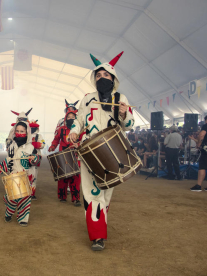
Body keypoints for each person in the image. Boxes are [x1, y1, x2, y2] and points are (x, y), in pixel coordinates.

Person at [68, 52, 135, 251]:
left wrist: (124, 114)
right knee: (91, 193)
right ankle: (97, 237)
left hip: (113, 150)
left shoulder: (121, 98)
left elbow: (130, 124)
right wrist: (74, 131)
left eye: (106, 76)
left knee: (105, 194)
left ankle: (100, 227)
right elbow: (79, 120)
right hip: (90, 151)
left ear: (113, 78)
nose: (101, 78)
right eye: (98, 76)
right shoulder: (87, 99)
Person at [0, 121, 41, 227]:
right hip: (13, 176)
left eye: (22, 131)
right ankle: (9, 212)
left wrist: (35, 158)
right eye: (17, 131)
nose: (19, 133)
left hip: (26, 176)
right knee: (12, 197)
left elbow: (37, 160)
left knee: (25, 198)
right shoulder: (11, 146)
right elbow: (8, 160)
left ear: (27, 132)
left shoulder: (31, 147)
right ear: (14, 132)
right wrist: (1, 167)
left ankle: (23, 218)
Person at [49, 108, 82, 206]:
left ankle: (76, 199)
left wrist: (78, 145)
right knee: (62, 177)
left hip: (75, 156)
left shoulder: (79, 130)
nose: (71, 118)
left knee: (75, 178)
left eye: (73, 117)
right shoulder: (61, 129)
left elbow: (84, 140)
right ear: (65, 118)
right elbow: (56, 139)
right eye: (69, 117)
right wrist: (52, 146)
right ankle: (62, 196)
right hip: (62, 156)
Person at [190, 114, 207, 192]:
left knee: (202, 167)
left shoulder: (206, 126)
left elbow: (201, 135)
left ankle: (198, 185)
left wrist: (198, 144)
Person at [29, 119, 45, 200]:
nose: (32, 129)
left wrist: (32, 144)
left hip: (35, 158)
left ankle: (32, 193)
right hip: (25, 157)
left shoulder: (39, 136)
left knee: (34, 175)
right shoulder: (25, 135)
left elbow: (42, 144)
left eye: (33, 127)